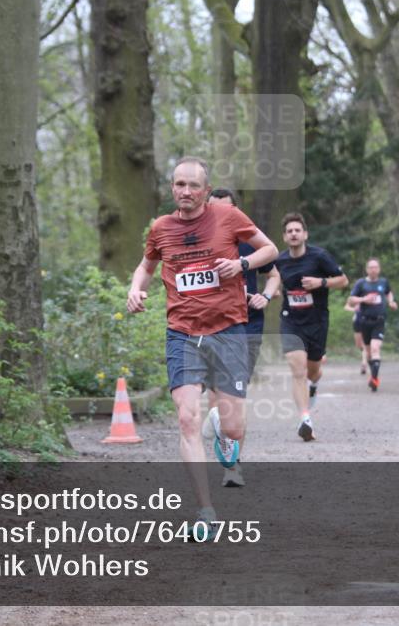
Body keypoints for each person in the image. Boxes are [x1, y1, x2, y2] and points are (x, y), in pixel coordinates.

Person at [126, 157, 278, 529]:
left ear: (206, 191)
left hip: (228, 329)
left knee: (234, 428)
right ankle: (205, 511)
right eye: (180, 184)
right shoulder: (161, 228)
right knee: (186, 418)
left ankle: (223, 432)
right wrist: (135, 290)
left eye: (194, 185)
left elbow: (270, 250)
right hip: (182, 333)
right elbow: (146, 266)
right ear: (172, 188)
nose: (186, 191)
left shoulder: (228, 216)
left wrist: (241, 266)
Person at [204, 188, 281, 487]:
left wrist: (266, 296)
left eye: (226, 209)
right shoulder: (198, 241)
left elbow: (274, 275)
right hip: (210, 324)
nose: (220, 215)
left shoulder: (250, 242)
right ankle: (225, 445)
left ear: (236, 211)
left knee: (234, 397)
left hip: (247, 327)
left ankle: (233, 467)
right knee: (215, 398)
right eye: (213, 209)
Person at [274, 212, 348, 441]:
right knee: (298, 370)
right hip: (291, 320)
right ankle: (305, 419)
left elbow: (343, 281)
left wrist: (321, 282)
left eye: (297, 230)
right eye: (289, 231)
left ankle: (314, 385)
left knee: (313, 371)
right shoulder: (280, 261)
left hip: (316, 321)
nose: (293, 234)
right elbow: (275, 282)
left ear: (305, 234)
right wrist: (272, 292)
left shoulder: (320, 257)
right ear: (284, 237)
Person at [348, 258, 398, 391]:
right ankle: (373, 375)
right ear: (366, 269)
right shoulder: (361, 283)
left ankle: (374, 380)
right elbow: (351, 300)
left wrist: (391, 302)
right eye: (371, 267)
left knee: (376, 348)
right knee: (369, 353)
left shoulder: (383, 282)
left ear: (379, 269)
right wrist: (363, 299)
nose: (373, 270)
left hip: (379, 320)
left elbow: (388, 292)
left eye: (375, 267)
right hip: (365, 321)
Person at [344, 296, 370, 375]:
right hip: (357, 321)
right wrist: (354, 309)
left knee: (364, 344)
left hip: (367, 320)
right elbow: (346, 307)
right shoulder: (355, 295)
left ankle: (364, 363)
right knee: (359, 344)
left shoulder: (369, 294)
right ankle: (367, 356)